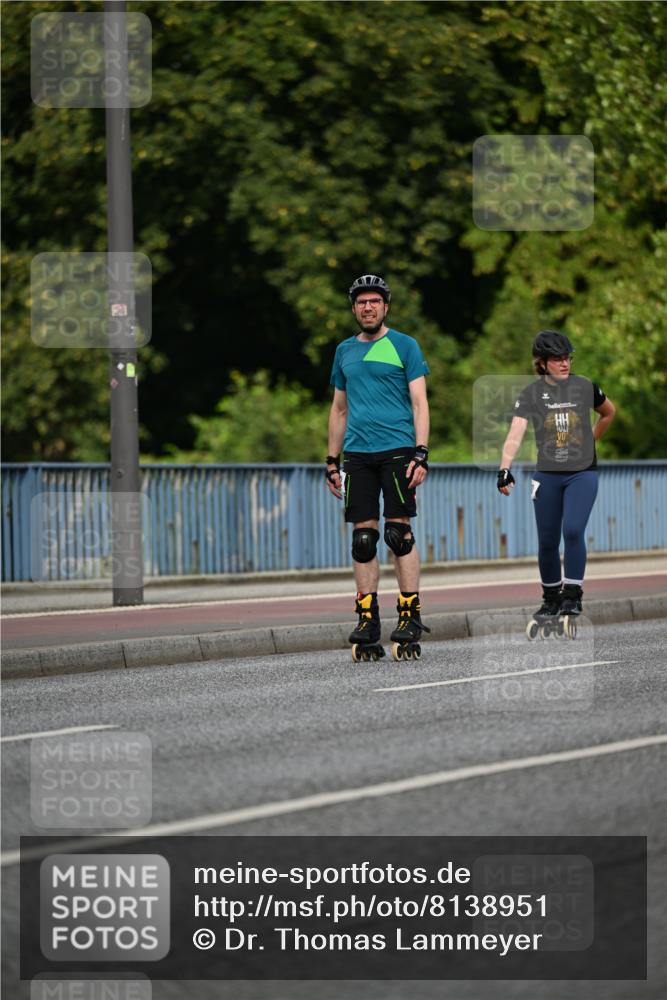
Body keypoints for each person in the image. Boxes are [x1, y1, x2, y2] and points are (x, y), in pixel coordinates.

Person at [325, 274, 431, 656]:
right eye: (361, 302)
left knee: (398, 534)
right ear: (353, 308)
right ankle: (367, 619)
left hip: (399, 450)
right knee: (363, 539)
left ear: (386, 306)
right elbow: (339, 408)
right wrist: (331, 460)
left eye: (374, 301)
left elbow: (420, 403)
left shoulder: (404, 345)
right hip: (357, 454)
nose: (367, 307)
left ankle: (409, 614)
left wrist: (422, 451)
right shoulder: (344, 351)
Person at [497, 330, 616, 627]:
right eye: (557, 359)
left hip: (581, 473)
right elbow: (516, 432)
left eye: (567, 358)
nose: (565, 364)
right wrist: (504, 468)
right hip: (547, 475)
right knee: (548, 540)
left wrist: (591, 440)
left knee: (573, 530)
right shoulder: (531, 394)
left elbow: (608, 413)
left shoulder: (585, 386)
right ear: (542, 363)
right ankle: (551, 600)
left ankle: (572, 595)